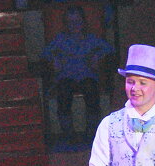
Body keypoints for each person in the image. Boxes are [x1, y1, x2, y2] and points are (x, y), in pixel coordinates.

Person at [41, 5, 113, 146]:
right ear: (66, 24)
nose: (74, 26)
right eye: (70, 22)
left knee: (91, 89)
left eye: (78, 21)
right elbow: (45, 53)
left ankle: (92, 131)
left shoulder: (91, 39)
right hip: (66, 76)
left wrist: (98, 54)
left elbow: (109, 49)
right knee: (64, 90)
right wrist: (54, 56)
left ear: (84, 22)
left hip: (87, 75)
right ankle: (69, 133)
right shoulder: (61, 39)